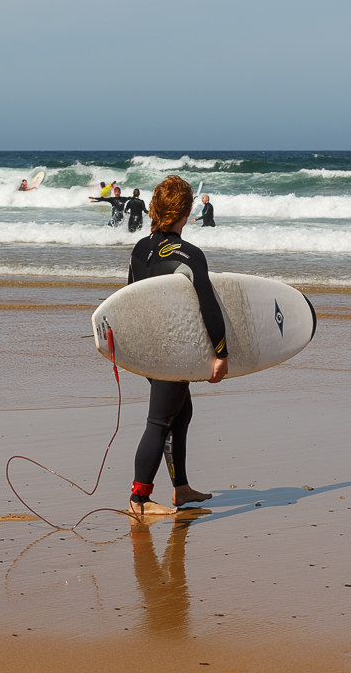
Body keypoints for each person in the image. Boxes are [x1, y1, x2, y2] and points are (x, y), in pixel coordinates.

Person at [126, 175, 227, 516]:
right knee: (159, 421)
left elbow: (129, 300)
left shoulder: (140, 248)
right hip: (174, 349)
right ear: (184, 213)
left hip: (147, 346)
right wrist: (221, 353)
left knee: (180, 412)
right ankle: (139, 500)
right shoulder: (190, 254)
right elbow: (208, 306)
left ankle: (181, 489)